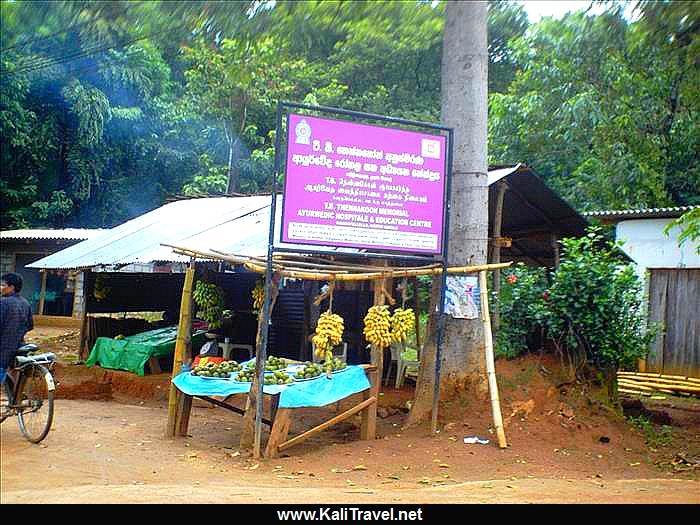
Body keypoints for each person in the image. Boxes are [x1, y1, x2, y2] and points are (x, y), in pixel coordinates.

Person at [1, 273, 34, 386]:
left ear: (12, 287)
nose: (1, 287)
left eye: (3, 285)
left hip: (3, 349)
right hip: (19, 346)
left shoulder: (3, 302)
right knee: (14, 372)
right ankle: (17, 395)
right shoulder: (25, 303)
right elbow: (30, 325)